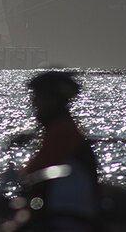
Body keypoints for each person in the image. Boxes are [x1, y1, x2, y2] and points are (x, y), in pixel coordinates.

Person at [23, 71, 100, 230]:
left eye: (38, 97)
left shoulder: (62, 132)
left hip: (65, 221)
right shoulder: (64, 128)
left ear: (52, 101)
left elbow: (31, 174)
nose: (34, 103)